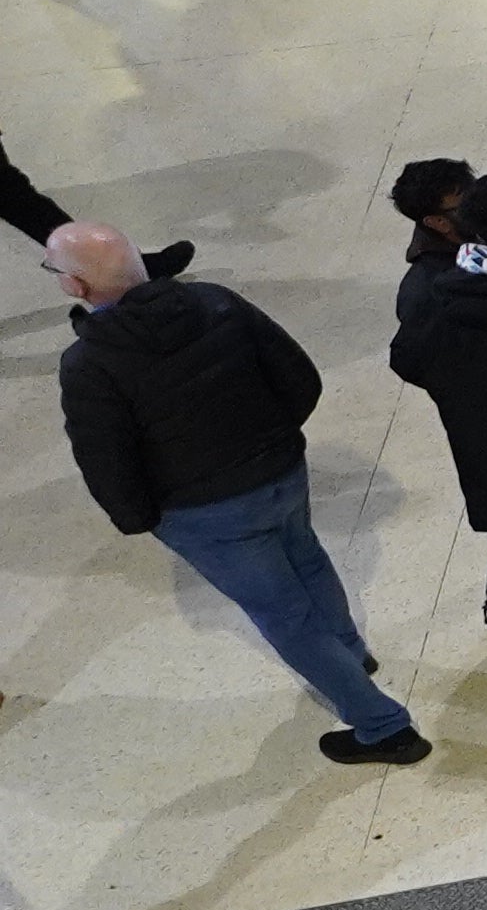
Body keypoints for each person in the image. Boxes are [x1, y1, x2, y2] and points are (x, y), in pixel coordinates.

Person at [51, 228, 426, 762]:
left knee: (284, 616)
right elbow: (300, 378)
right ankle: (349, 653)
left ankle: (384, 727)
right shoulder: (214, 301)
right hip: (280, 473)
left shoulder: (88, 364)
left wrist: (140, 519)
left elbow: (106, 460)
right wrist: (274, 442)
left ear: (76, 285)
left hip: (204, 512)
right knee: (308, 560)